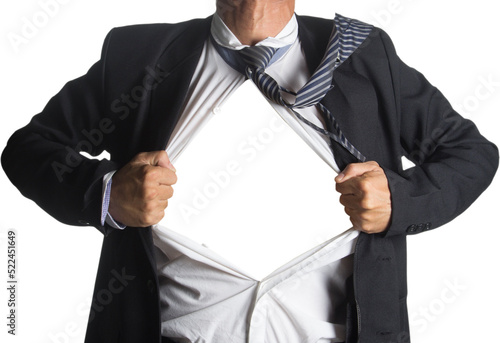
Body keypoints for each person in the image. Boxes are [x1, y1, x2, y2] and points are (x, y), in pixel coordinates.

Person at [2, 0, 498, 342]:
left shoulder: (364, 54)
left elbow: (470, 152)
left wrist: (401, 199)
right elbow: (28, 149)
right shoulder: (137, 57)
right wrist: (107, 195)